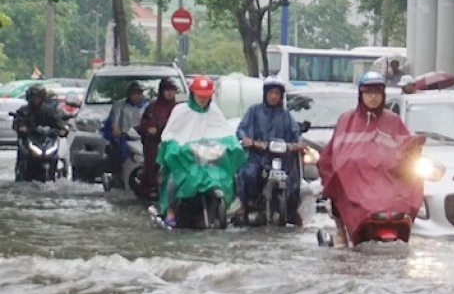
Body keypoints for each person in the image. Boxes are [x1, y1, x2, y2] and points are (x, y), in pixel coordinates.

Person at [317, 71, 419, 247]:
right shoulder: (347, 120)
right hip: (354, 184)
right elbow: (333, 154)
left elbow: (406, 150)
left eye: (377, 92)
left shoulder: (393, 121)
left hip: (386, 185)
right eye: (368, 93)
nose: (373, 97)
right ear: (360, 94)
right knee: (337, 187)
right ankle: (341, 232)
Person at [156, 76, 245, 229]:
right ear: (192, 94)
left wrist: (233, 145)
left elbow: (226, 133)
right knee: (173, 180)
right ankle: (170, 211)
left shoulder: (214, 111)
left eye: (206, 96)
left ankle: (231, 207)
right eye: (200, 95)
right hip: (186, 161)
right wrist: (177, 148)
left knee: (230, 177)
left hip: (209, 162)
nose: (203, 99)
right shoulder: (180, 111)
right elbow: (169, 135)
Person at [234, 77, 305, 225]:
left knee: (294, 179)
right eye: (271, 93)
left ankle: (292, 209)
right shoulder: (254, 111)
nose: (273, 96)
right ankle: (247, 203)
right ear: (265, 94)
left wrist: (299, 143)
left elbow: (296, 132)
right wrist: (247, 139)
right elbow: (241, 129)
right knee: (249, 173)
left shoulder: (285, 115)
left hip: (281, 157)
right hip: (259, 156)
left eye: (277, 93)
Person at [12, 85, 67, 180]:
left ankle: (57, 172)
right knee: (23, 153)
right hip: (29, 140)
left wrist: (62, 129)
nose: (35, 100)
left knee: (58, 155)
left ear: (42, 98)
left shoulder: (49, 110)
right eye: (32, 97)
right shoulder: (24, 111)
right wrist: (22, 128)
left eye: (37, 97)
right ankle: (21, 172)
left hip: (46, 140)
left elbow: (58, 121)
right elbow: (18, 121)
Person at [135, 78, 180, 197]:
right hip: (155, 144)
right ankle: (151, 188)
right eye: (167, 90)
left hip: (175, 143)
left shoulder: (179, 108)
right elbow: (144, 124)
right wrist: (150, 128)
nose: (170, 93)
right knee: (153, 164)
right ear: (161, 91)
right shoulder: (152, 108)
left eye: (172, 90)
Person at [105, 81, 148, 176]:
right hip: (124, 138)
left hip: (142, 139)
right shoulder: (119, 105)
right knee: (118, 154)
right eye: (134, 93)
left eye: (139, 93)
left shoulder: (147, 107)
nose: (136, 96)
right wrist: (116, 131)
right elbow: (114, 123)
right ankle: (117, 175)